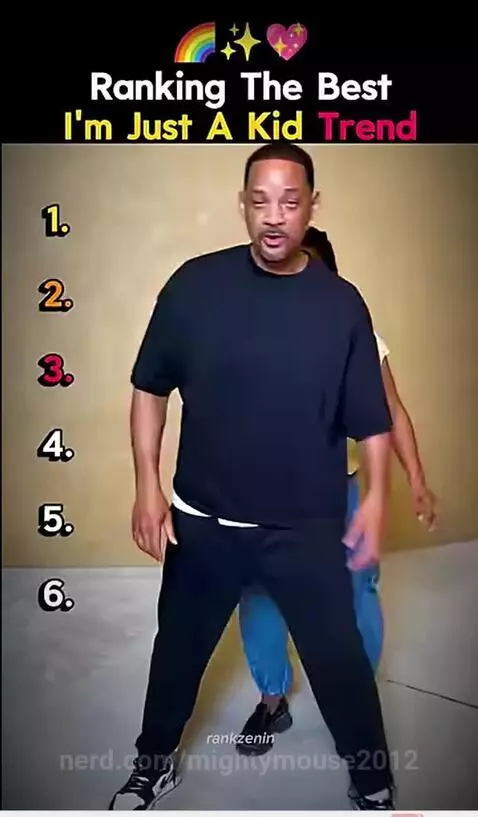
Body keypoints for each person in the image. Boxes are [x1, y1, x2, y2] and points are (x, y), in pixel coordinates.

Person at [109, 143, 398, 811]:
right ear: (242, 203)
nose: (274, 216)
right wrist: (147, 484)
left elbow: (372, 417)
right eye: (260, 200)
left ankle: (372, 778)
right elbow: (149, 387)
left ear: (312, 206)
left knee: (340, 660)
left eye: (290, 202)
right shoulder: (193, 286)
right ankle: (152, 764)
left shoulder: (342, 306)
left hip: (305, 527)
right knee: (177, 653)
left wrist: (379, 496)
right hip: (203, 523)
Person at [236, 225, 438, 758]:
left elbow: (392, 411)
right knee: (258, 594)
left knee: (356, 590)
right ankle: (272, 700)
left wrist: (417, 480)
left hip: (336, 492)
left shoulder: (359, 334)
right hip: (259, 496)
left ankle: (354, 703)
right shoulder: (247, 329)